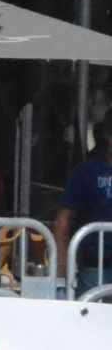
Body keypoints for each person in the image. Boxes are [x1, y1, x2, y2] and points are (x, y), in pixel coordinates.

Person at [54, 118, 112, 296]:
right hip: (96, 267)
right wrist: (62, 268)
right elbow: (63, 219)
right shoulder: (87, 172)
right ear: (108, 137)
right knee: (90, 319)